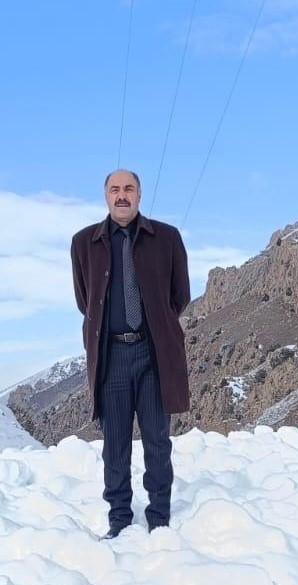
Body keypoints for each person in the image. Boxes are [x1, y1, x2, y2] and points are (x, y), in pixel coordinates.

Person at [71, 169, 191, 539]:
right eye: (115, 189)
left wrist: (153, 324)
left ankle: (159, 517)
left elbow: (179, 296)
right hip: (111, 357)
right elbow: (84, 300)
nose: (122, 196)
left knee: (157, 437)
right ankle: (119, 519)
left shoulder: (167, 238)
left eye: (129, 189)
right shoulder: (83, 243)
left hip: (153, 353)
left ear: (140, 195)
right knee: (115, 443)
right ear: (105, 196)